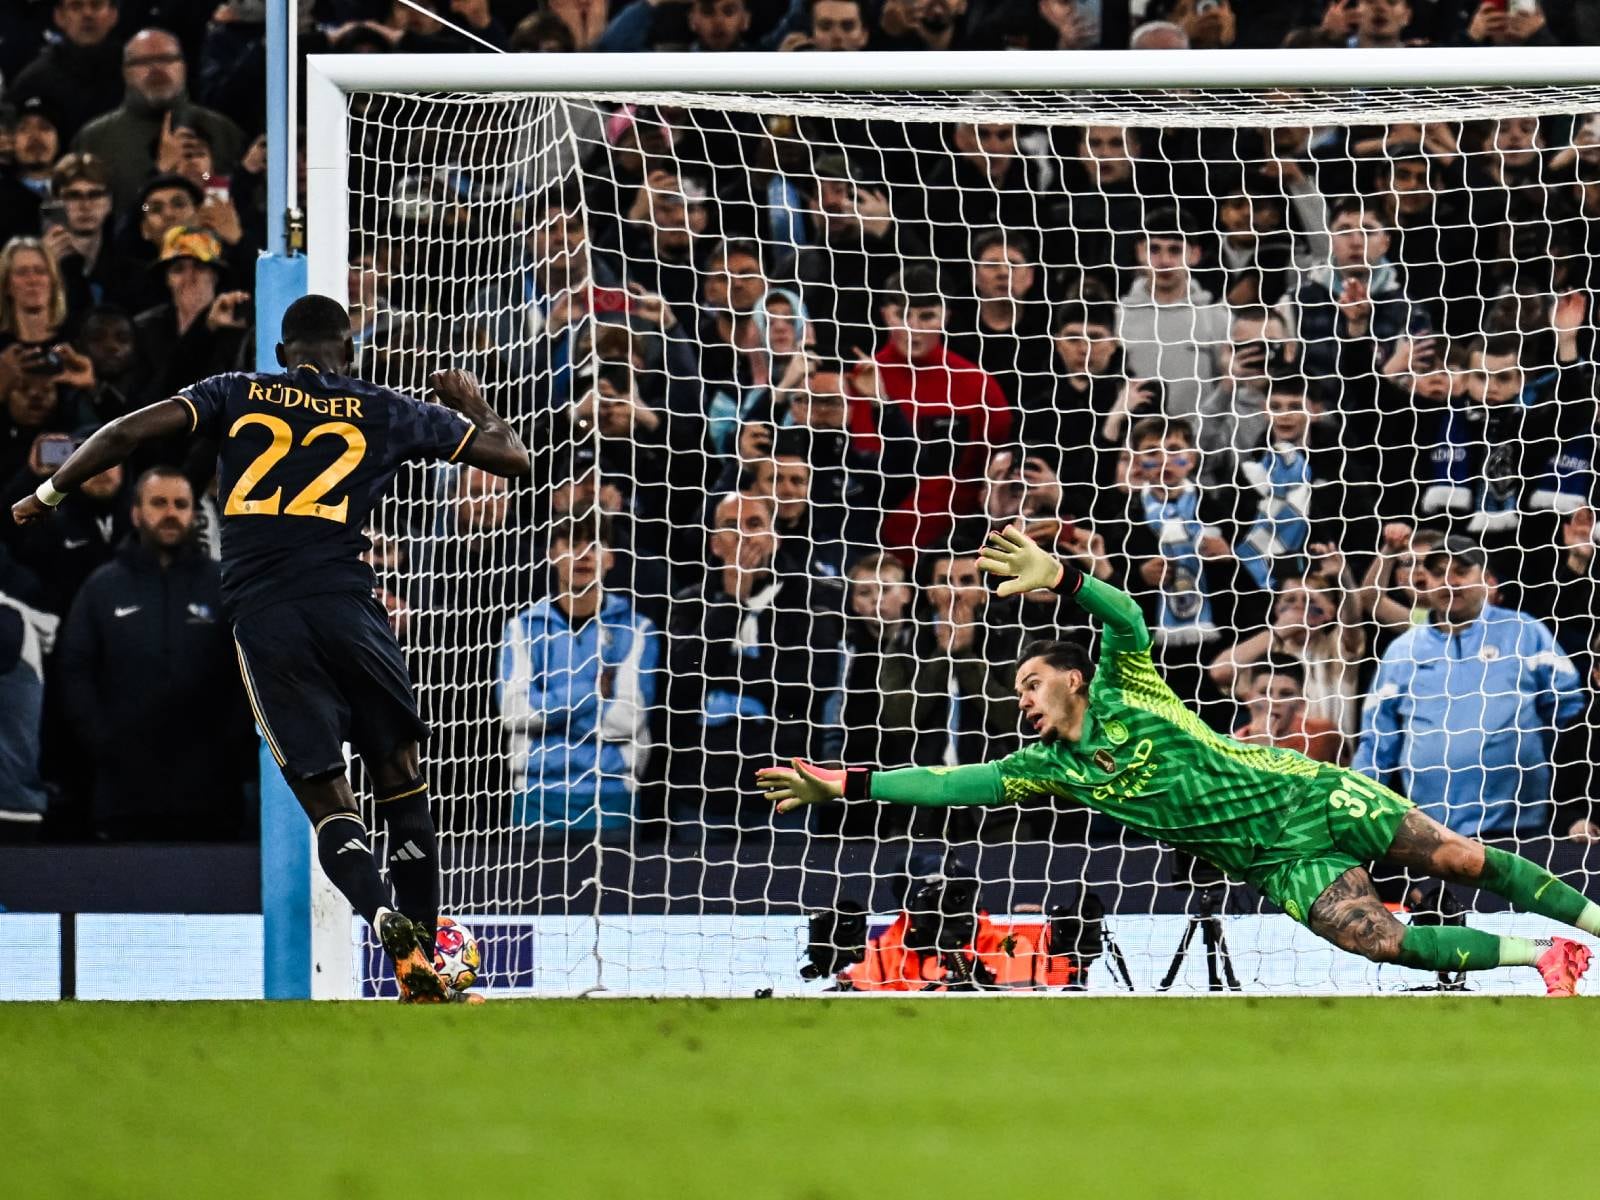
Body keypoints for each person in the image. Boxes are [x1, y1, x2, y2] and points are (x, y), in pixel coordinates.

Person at [759, 525, 1600, 996]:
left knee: (1461, 857)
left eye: (1031, 682)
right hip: (1277, 861)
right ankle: (1546, 960)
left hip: (1309, 796)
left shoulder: (1127, 687)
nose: (1022, 698)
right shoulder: (1050, 769)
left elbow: (1124, 616)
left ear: (1073, 680)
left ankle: (1593, 921)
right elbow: (945, 784)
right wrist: (844, 782)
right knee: (1377, 940)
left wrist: (1064, 577)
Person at [11, 294, 531, 1003]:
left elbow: (127, 432)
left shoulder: (235, 392)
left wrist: (47, 493)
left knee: (329, 802)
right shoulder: (382, 405)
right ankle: (423, 949)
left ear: (282, 354)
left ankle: (380, 915)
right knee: (401, 776)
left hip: (268, 620)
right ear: (348, 353)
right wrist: (474, 403)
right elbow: (514, 458)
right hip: (352, 608)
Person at [53, 467, 248, 841]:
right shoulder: (102, 587)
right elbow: (74, 669)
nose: (171, 513)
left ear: (195, 513)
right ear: (136, 512)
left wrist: (229, 741)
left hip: (211, 793)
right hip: (123, 791)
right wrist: (102, 740)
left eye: (181, 504)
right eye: (158, 503)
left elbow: (248, 671)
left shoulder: (222, 584)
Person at [1353, 536, 1585, 839]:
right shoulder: (1402, 650)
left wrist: (1576, 807)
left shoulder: (1525, 632)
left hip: (1525, 827)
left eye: (1461, 570)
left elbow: (1572, 719)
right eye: (1438, 572)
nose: (1449, 581)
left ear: (1484, 576)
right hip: (1432, 833)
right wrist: (1355, 809)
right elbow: (1376, 745)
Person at [498, 517, 659, 832]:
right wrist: (592, 692)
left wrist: (549, 712)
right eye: (572, 544)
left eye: (594, 545)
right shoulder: (522, 627)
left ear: (610, 558)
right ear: (552, 554)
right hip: (536, 796)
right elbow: (514, 712)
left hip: (613, 796)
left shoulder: (637, 628)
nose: (583, 554)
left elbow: (628, 718)